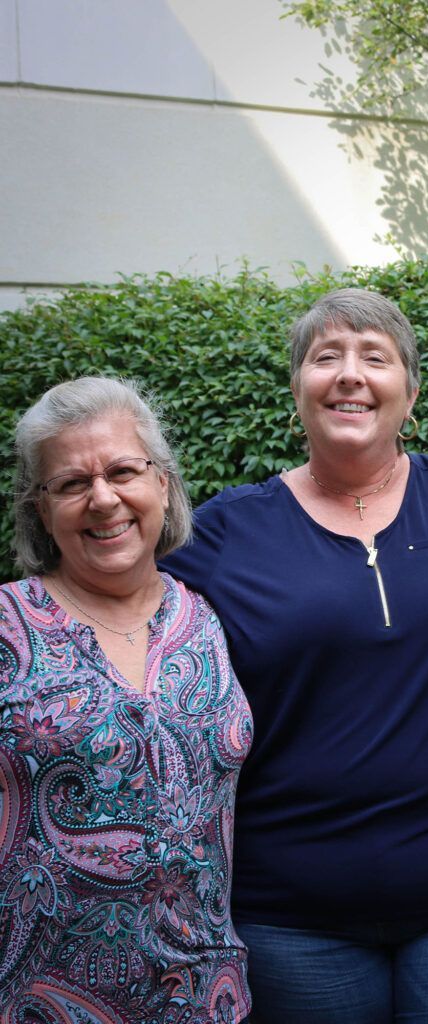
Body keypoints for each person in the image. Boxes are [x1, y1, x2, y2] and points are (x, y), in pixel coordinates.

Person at [160, 288, 428, 1024]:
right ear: (298, 391)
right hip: (292, 916)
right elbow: (117, 606)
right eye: (327, 358)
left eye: (375, 358)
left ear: (409, 395)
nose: (350, 374)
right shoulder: (225, 532)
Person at [1, 377, 252, 1023]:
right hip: (37, 1003)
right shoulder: (7, 625)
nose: (103, 499)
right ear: (41, 507)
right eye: (72, 484)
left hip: (204, 998)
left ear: (162, 483)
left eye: (122, 471)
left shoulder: (208, 617)